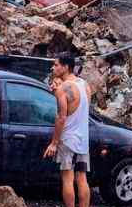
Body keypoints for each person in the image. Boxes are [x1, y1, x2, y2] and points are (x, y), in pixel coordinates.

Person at [46, 54, 92, 207]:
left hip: (68, 139)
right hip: (83, 140)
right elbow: (80, 110)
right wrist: (56, 90)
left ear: (65, 67)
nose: (53, 67)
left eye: (56, 65)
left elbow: (61, 117)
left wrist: (54, 143)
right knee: (82, 178)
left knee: (67, 178)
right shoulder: (85, 85)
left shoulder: (63, 89)